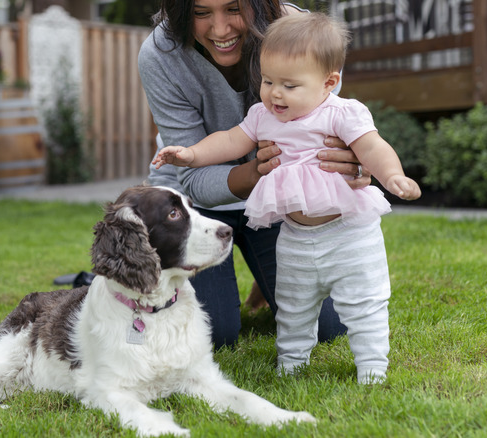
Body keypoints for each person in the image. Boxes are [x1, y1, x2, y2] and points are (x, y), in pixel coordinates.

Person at [153, 12, 421, 383]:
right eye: (267, 81)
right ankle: (291, 362)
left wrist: (392, 175)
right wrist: (191, 154)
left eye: (289, 86)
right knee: (294, 306)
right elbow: (231, 140)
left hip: (348, 235)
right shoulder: (263, 115)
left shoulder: (340, 112)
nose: (275, 93)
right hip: (294, 235)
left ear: (329, 83)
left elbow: (372, 145)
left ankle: (372, 367)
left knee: (362, 304)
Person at [139, 0, 370, 349]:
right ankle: (134, 271)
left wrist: (356, 160)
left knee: (330, 327)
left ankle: (270, 265)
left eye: (234, 9)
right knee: (214, 334)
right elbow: (194, 181)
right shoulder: (161, 55)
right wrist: (256, 172)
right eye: (201, 13)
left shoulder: (305, 37)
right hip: (199, 205)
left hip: (278, 200)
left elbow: (337, 135)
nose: (219, 30)